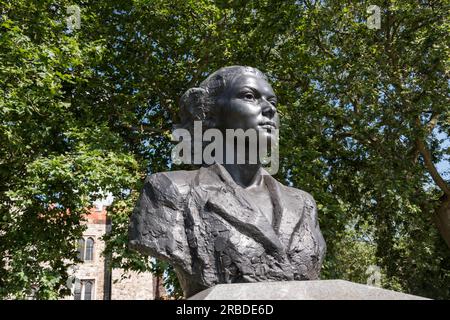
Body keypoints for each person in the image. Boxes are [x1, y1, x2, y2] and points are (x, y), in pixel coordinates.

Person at [128, 66, 326, 298]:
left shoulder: (303, 203)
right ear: (210, 115)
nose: (269, 108)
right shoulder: (170, 191)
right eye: (249, 96)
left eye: (273, 101)